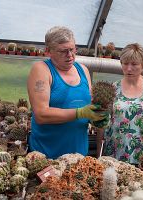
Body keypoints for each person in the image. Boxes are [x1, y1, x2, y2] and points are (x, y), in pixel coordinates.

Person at [27, 26, 106, 159]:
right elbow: (41, 114)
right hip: (47, 157)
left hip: (79, 156)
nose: (70, 55)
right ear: (48, 51)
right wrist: (80, 113)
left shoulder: (83, 70)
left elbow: (90, 107)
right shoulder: (42, 70)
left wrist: (97, 118)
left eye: (72, 49)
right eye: (63, 51)